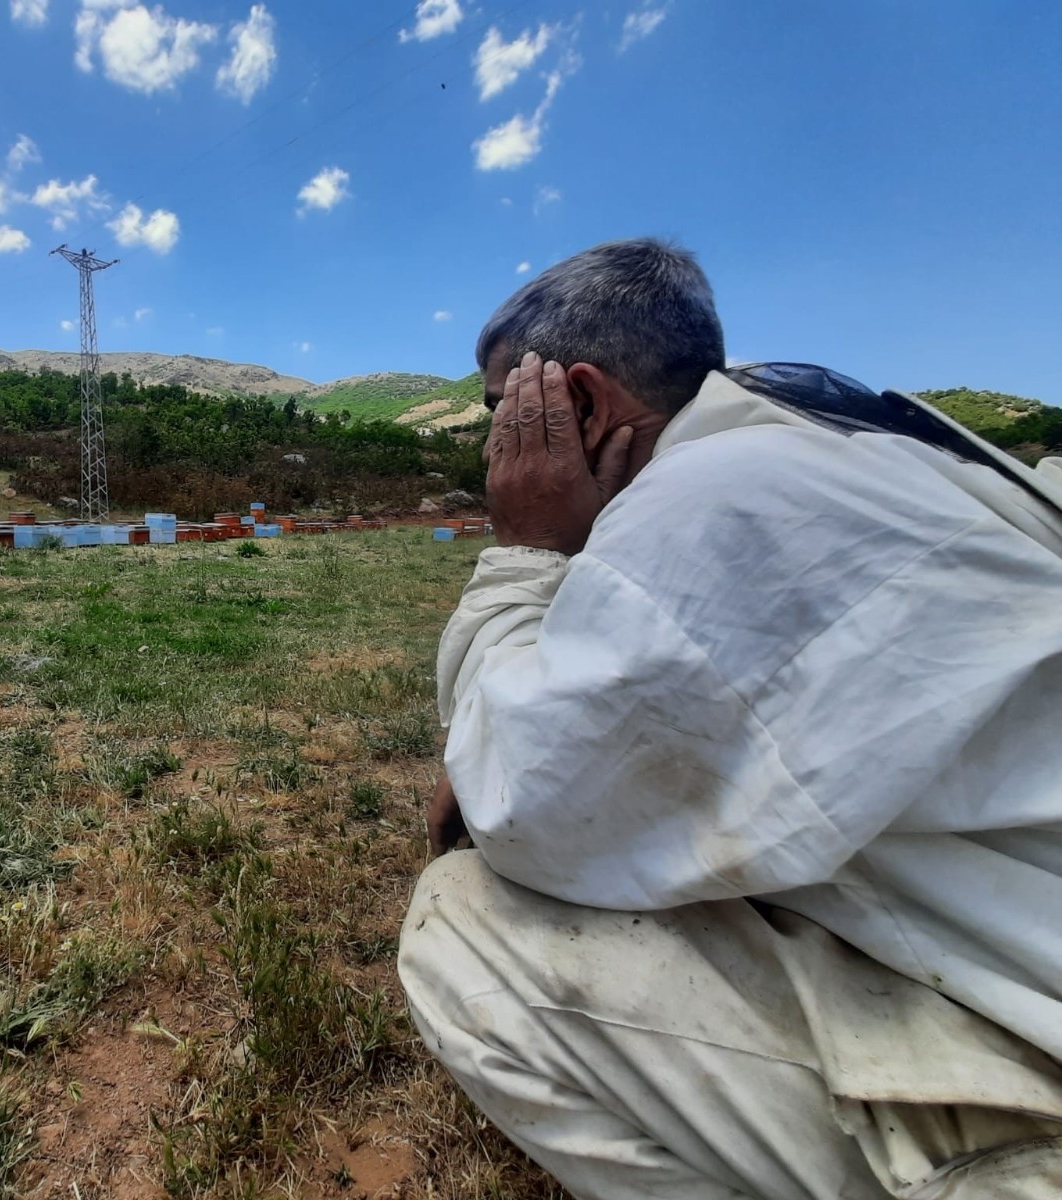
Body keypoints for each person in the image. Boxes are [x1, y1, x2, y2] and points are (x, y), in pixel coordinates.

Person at [399, 238, 1062, 1199]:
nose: (493, 445)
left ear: (580, 403)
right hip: (1005, 948)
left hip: (1034, 1045)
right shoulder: (825, 447)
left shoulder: (707, 500)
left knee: (462, 931)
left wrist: (527, 549)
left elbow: (517, 812)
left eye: (506, 410)